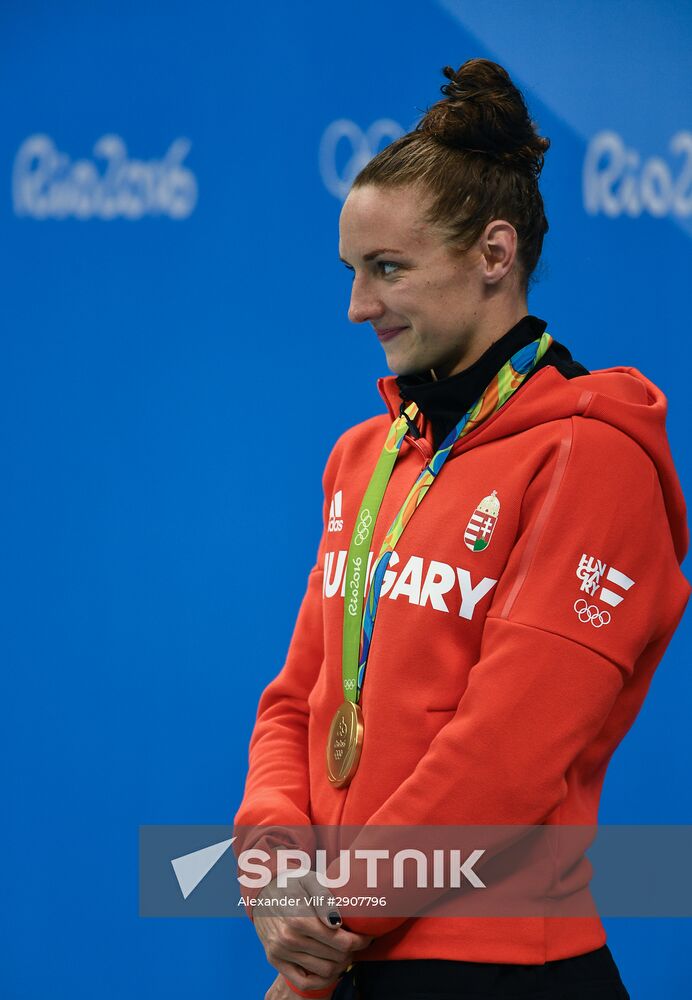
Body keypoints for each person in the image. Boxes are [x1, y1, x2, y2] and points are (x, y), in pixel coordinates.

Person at [233, 58, 690, 999]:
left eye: (388, 269)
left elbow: (505, 763)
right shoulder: (362, 458)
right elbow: (297, 701)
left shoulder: (593, 458)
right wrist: (273, 872)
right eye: (353, 272)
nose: (358, 306)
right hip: (345, 955)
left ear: (494, 253)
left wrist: (329, 932)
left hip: (501, 971)